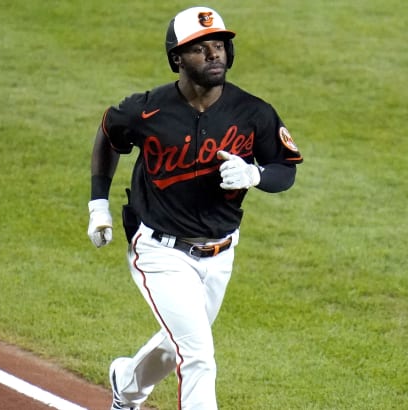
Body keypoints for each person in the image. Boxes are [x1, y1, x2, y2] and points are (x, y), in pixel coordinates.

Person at [85, 6, 303, 410]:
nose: (213, 54)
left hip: (221, 254)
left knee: (176, 347)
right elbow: (109, 134)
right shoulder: (147, 110)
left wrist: (255, 174)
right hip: (160, 251)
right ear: (177, 59)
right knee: (199, 356)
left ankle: (126, 385)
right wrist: (99, 204)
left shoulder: (253, 112)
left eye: (218, 45)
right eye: (200, 48)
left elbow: (285, 168)